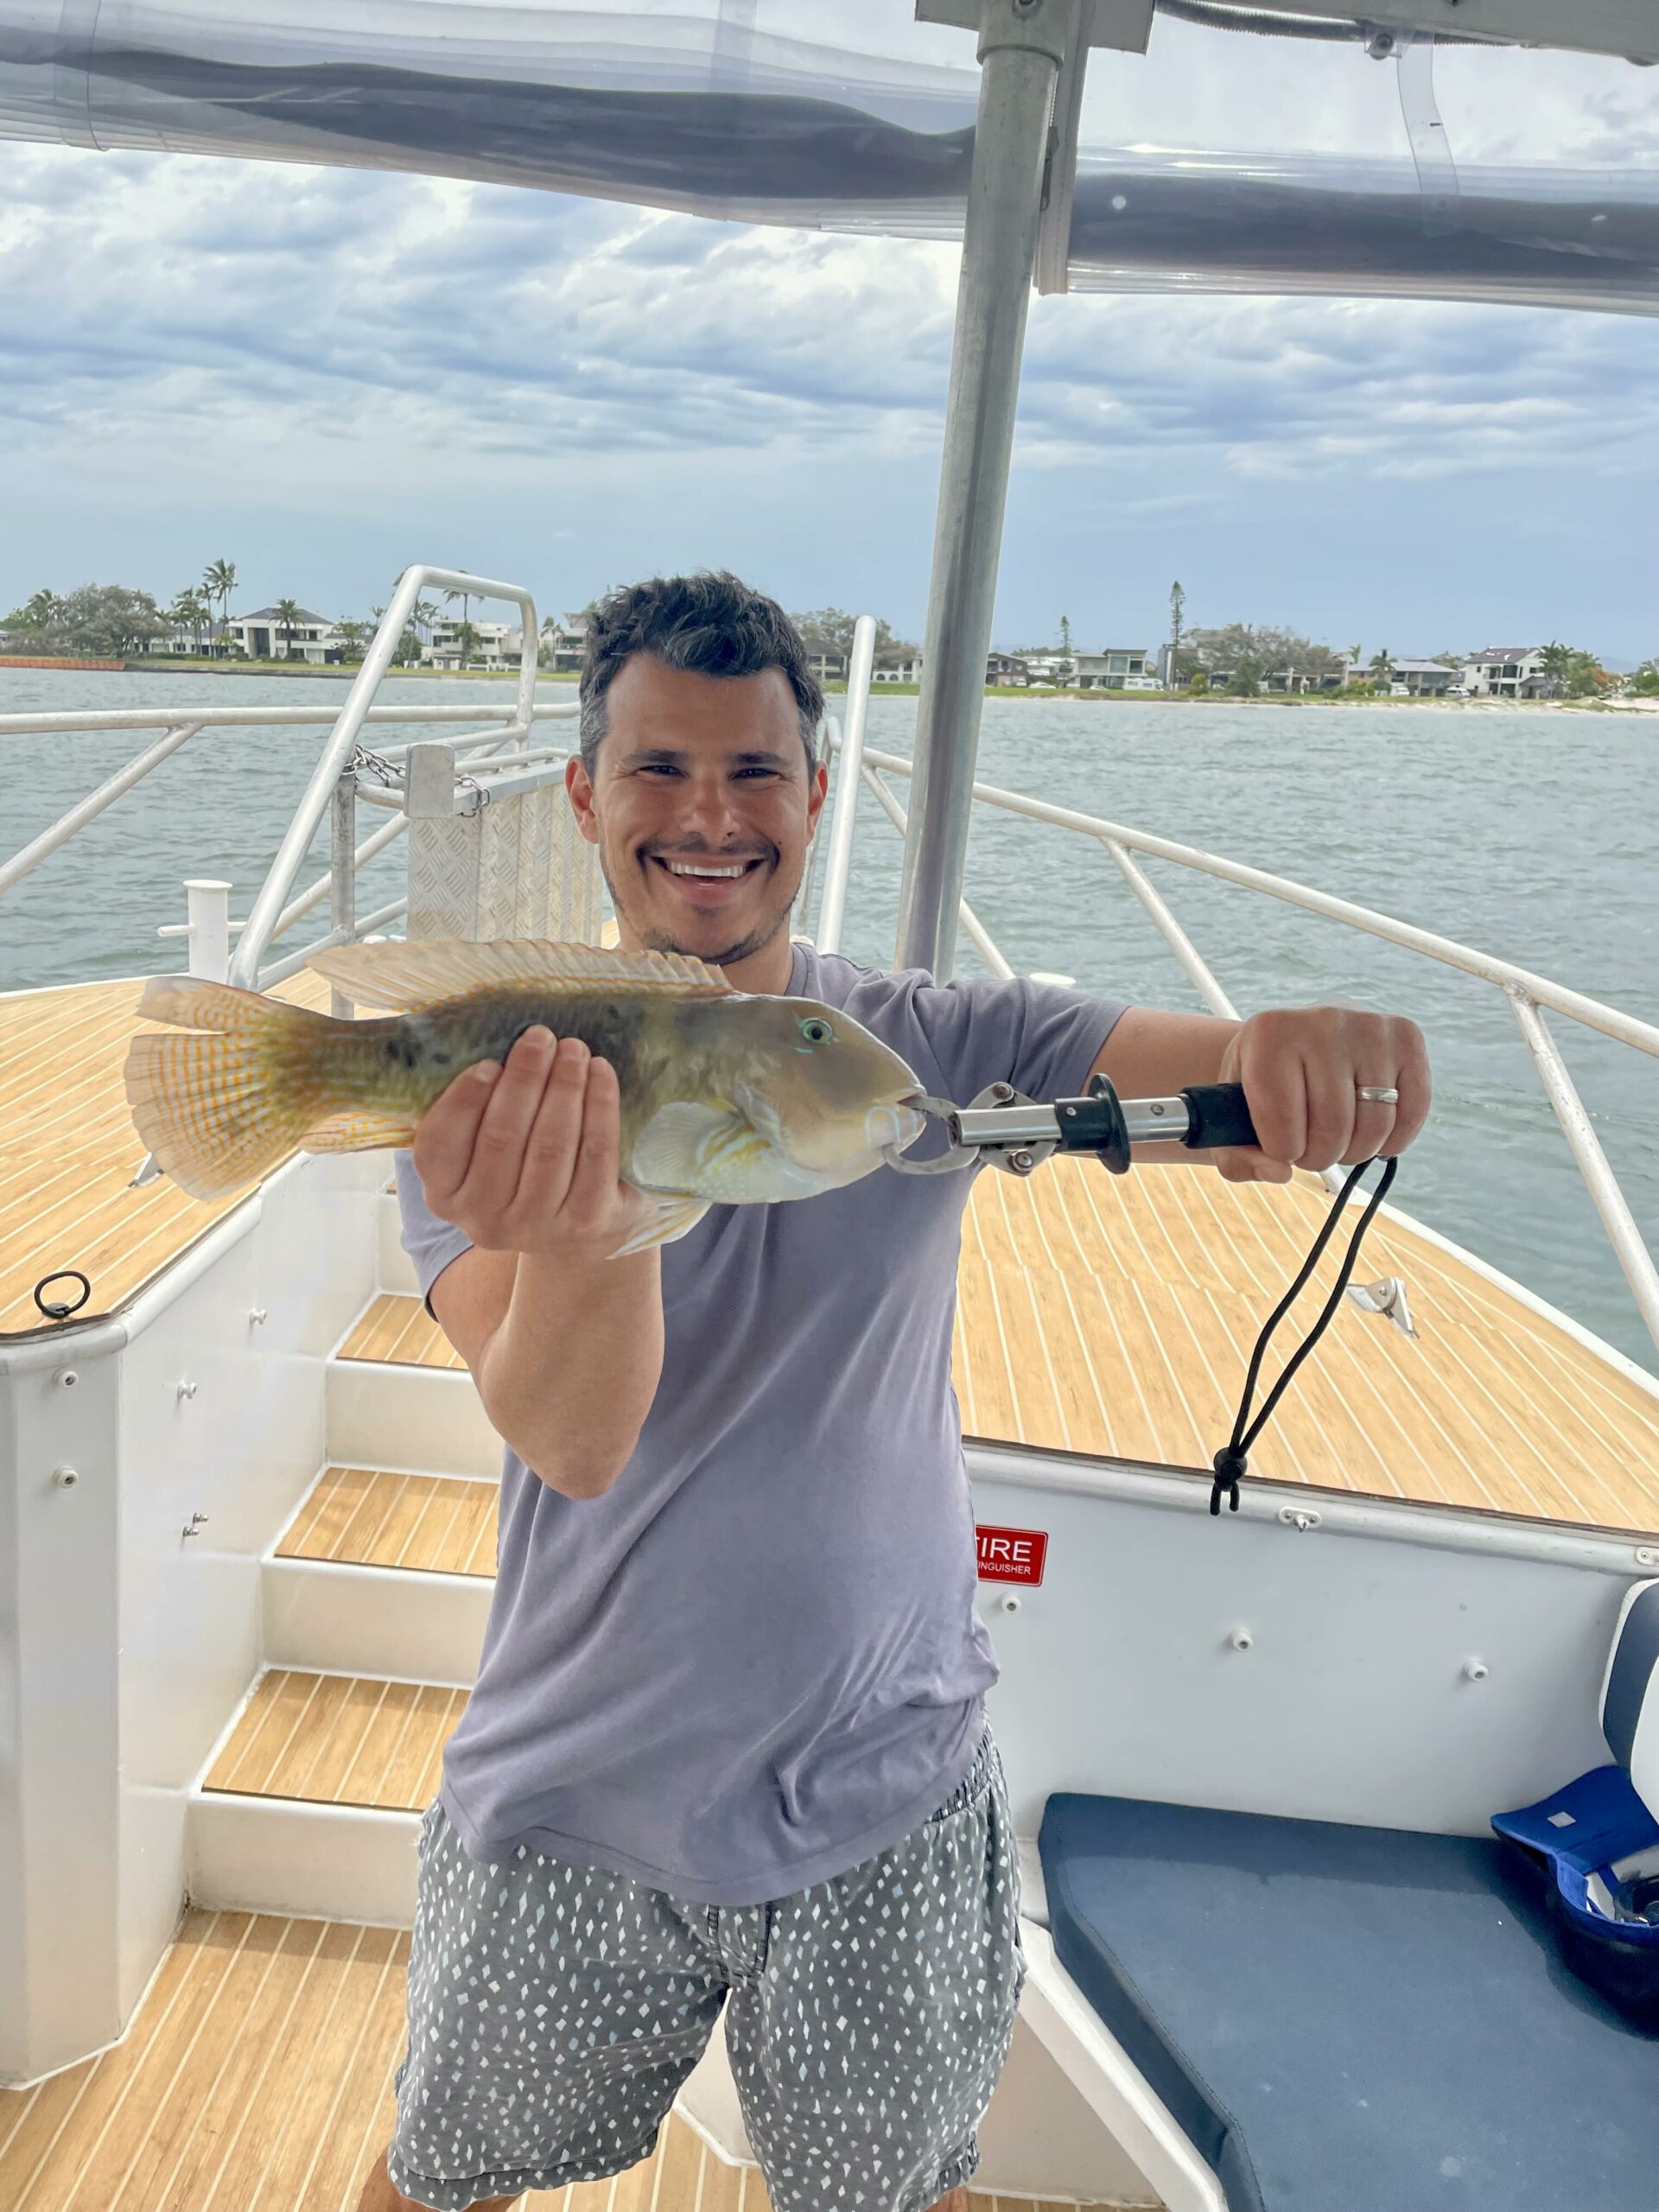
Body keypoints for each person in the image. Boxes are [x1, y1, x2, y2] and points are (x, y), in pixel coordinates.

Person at [363, 572, 1430, 2212]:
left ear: (814, 793)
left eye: (755, 772)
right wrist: (599, 1213)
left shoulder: (926, 1042)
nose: (708, 817)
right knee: (445, 2179)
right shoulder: (504, 1091)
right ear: (585, 792)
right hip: (574, 1784)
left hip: (889, 1786)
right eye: (657, 769)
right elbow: (570, 1438)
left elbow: (1215, 1087)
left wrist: (1305, 1061)